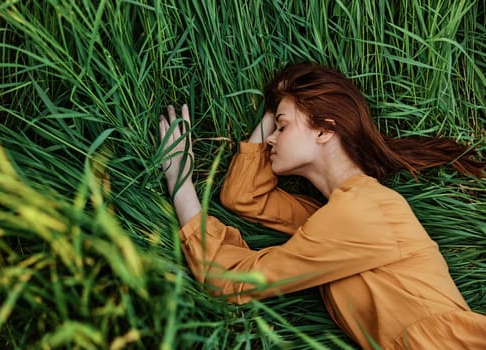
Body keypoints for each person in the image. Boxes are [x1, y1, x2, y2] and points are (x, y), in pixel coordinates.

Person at [158, 63, 486, 349]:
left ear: (324, 130)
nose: (270, 138)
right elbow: (244, 196)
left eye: (282, 127)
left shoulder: (358, 213)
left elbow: (233, 280)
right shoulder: (338, 212)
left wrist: (180, 182)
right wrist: (275, 108)